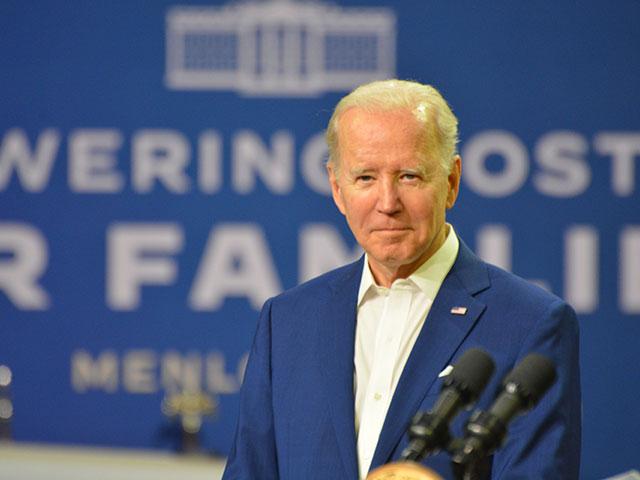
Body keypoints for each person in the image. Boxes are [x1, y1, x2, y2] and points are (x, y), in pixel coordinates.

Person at [222, 80, 581, 479]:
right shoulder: (286, 321)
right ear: (337, 189)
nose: (388, 203)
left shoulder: (531, 323)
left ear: (451, 182)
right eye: (365, 178)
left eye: (409, 176)